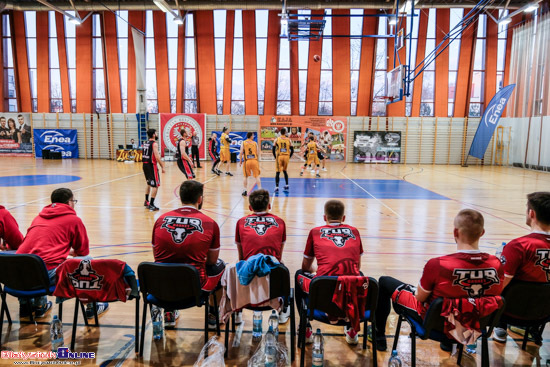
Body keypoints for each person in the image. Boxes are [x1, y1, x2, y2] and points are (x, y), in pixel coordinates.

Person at [373, 209, 504, 352]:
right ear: (482, 232)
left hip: (435, 324)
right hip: (475, 324)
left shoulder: (438, 264)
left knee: (385, 282)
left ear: (455, 232)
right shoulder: (497, 264)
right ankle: (450, 342)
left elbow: (420, 297)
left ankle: (378, 336)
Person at [16, 188, 107, 319]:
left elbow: (36, 247)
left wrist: (63, 251)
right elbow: (83, 251)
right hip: (44, 274)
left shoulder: (38, 218)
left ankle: (32, 306)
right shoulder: (73, 220)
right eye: (73, 200)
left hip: (18, 273)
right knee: (88, 261)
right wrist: (69, 252)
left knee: (35, 262)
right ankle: (93, 307)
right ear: (69, 203)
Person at [152, 180, 225, 328]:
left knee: (164, 263)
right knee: (221, 266)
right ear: (200, 199)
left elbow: (157, 255)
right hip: (194, 289)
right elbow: (212, 261)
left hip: (162, 287)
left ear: (180, 197)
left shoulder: (160, 220)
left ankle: (169, 312)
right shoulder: (210, 223)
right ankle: (212, 315)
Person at [297, 200, 364, 345]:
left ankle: (305, 328)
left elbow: (305, 266)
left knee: (298, 274)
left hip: (323, 293)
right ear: (343, 218)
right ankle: (351, 328)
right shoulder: (355, 231)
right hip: (349, 292)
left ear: (324, 217)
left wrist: (316, 270)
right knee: (356, 275)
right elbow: (357, 266)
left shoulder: (315, 232)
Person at [493, 192, 550, 342]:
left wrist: (501, 262)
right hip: (545, 313)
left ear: (531, 213)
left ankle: (500, 327)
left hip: (511, 311)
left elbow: (500, 285)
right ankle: (533, 329)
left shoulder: (519, 246)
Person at [233, 189, 288, 324]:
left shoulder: (241, 222)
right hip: (272, 275)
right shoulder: (280, 222)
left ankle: (238, 310)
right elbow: (278, 256)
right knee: (282, 267)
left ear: (250, 208)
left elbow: (241, 256)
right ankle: (283, 309)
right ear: (269, 206)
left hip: (248, 275)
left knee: (240, 264)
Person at [142, 129, 165, 211]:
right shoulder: (154, 144)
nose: (157, 134)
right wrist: (163, 166)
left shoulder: (145, 143)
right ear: (154, 134)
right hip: (151, 165)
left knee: (148, 183)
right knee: (155, 185)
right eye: (156, 133)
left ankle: (146, 201)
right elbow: (157, 157)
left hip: (145, 164)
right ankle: (151, 204)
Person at [272, 128, 294, 193]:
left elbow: (273, 149)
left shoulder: (277, 139)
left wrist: (275, 156)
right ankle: (287, 185)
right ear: (285, 132)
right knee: (285, 171)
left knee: (278, 172)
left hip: (280, 156)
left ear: (280, 132)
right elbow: (292, 150)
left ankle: (277, 187)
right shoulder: (289, 140)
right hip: (286, 156)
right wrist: (289, 157)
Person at [239, 132, 261, 197]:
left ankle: (245, 190)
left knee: (245, 176)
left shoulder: (243, 143)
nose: (253, 136)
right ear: (251, 136)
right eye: (253, 135)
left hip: (247, 161)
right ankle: (260, 190)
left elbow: (241, 152)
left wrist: (240, 161)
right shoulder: (255, 143)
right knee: (257, 176)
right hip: (254, 161)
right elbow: (257, 153)